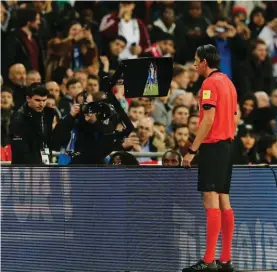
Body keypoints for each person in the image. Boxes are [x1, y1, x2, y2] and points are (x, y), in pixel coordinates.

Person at [182, 45, 237, 272]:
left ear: (204, 62)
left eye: (196, 60)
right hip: (227, 146)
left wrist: (192, 150)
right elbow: (234, 116)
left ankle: (208, 261)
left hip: (213, 147)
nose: (194, 65)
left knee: (211, 200)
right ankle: (225, 260)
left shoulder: (209, 83)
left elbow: (207, 120)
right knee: (224, 200)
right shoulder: (229, 83)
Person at [10, 83, 55, 164]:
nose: (41, 104)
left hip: (45, 163)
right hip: (25, 167)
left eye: (44, 100)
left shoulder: (49, 114)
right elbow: (20, 150)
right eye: (37, 100)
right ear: (28, 98)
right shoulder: (18, 118)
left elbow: (49, 139)